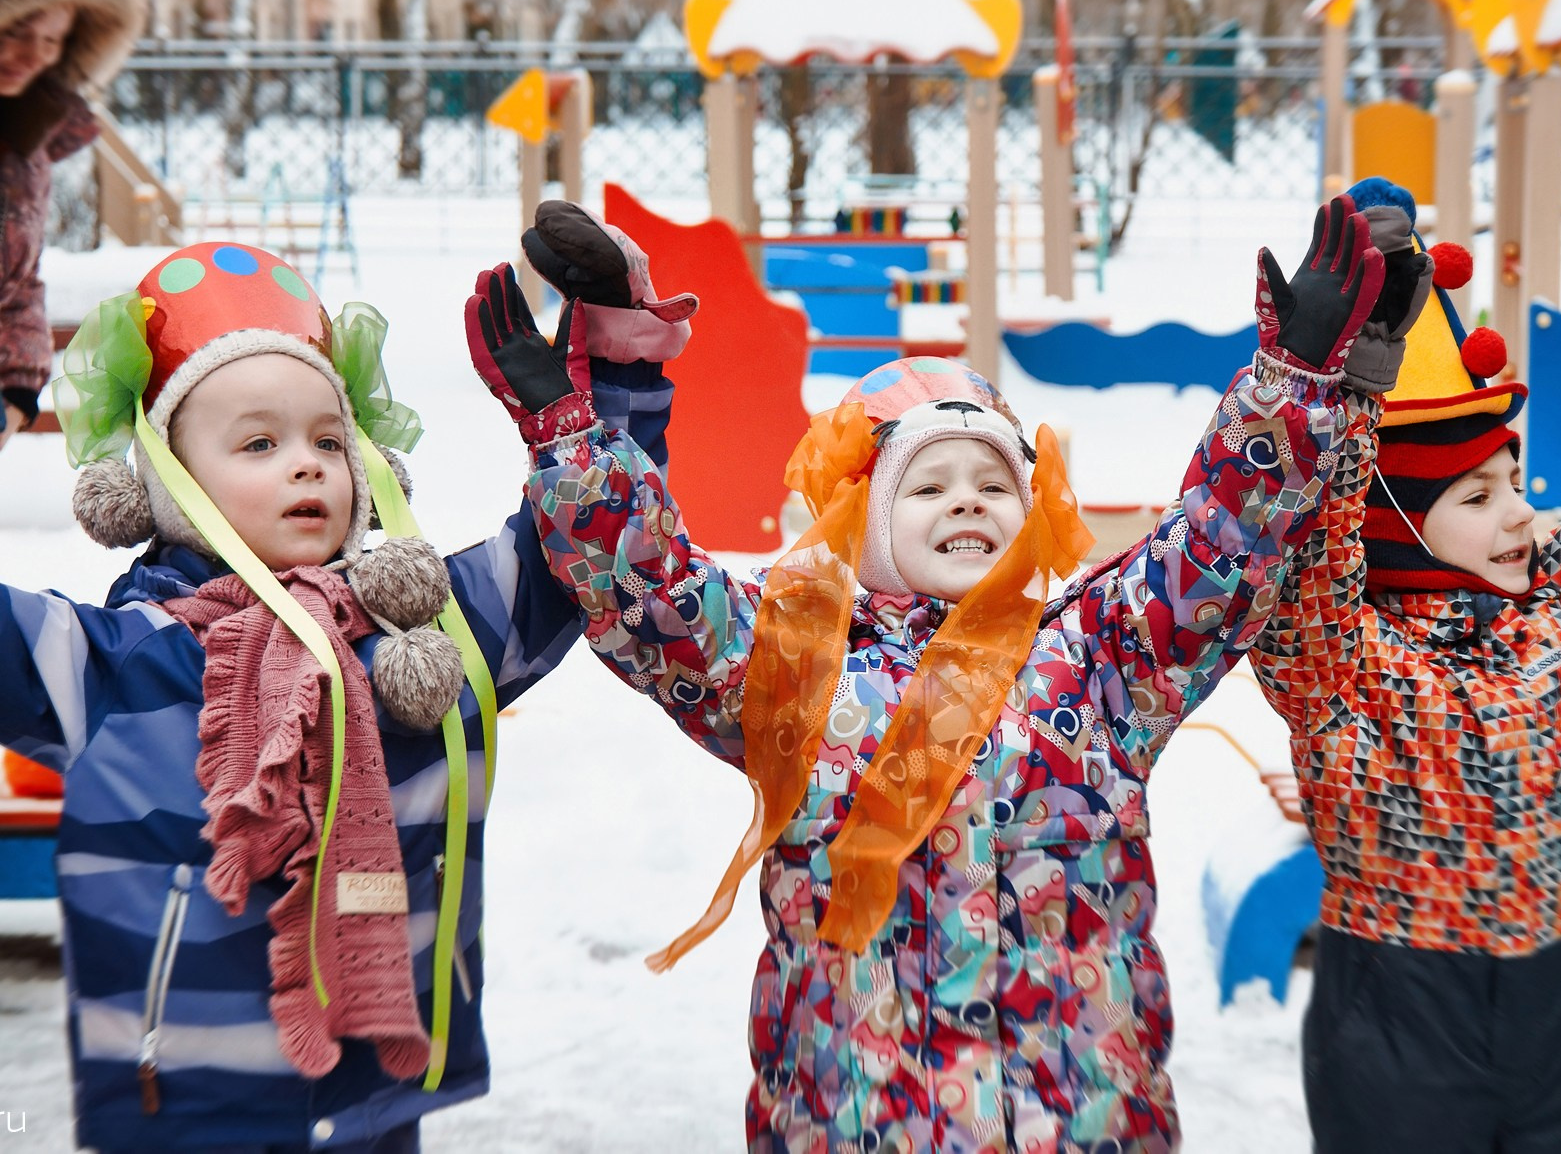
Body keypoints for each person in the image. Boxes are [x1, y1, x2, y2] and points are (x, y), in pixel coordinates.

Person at [465, 194, 1407, 1150]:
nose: (967, 501)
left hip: (1075, 1125)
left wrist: (1289, 385)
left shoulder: (1101, 658)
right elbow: (651, 597)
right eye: (929, 484)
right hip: (856, 1125)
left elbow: (1219, 541)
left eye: (995, 483)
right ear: (865, 524)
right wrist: (573, 442)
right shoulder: (793, 662)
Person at [0, 227, 678, 1152]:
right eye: (258, 442)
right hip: (184, 1112)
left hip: (373, 1098)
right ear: (169, 484)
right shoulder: (112, 662)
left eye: (329, 437)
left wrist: (602, 396)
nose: (308, 461)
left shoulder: (427, 636)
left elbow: (588, 560)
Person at [1248, 188, 1561, 1154]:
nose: (1517, 515)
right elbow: (1302, 550)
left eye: (1514, 482)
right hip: (1401, 1013)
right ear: (1390, 519)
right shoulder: (1336, 657)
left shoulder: (1559, 617)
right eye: (1476, 493)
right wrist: (1349, 377)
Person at [0, 0, 147, 451]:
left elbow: (15, 287)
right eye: (16, 30)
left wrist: (12, 392)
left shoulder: (21, 141)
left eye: (54, 39)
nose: (33, 55)